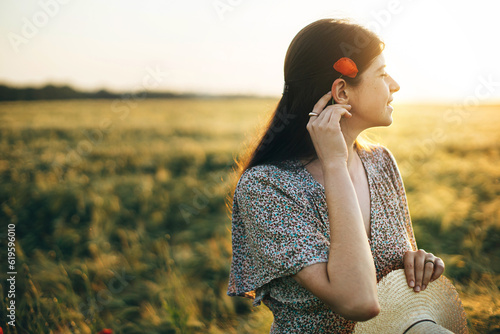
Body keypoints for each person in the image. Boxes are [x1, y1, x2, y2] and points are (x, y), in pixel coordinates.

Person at [226, 18, 445, 333]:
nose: (395, 84)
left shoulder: (381, 163)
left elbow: (392, 277)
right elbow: (359, 302)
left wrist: (418, 265)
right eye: (382, 74)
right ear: (342, 90)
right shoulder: (266, 187)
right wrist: (334, 163)